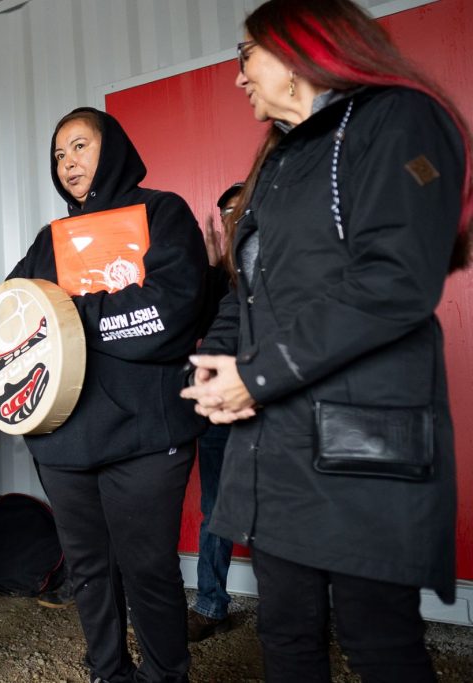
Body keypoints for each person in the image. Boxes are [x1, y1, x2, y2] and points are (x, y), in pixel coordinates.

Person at [180, 0, 472, 679]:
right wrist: (210, 367)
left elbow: (395, 281)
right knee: (284, 637)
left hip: (360, 448)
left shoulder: (398, 120)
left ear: (296, 47)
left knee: (379, 644)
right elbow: (247, 292)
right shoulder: (283, 156)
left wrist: (253, 375)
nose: (238, 76)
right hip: (278, 449)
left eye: (244, 55)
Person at [7, 107, 207, 683]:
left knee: (148, 569)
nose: (68, 162)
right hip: (63, 439)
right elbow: (15, 314)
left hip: (147, 436)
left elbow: (168, 312)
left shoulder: (163, 212)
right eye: (59, 154)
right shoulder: (49, 239)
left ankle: (167, 674)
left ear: (112, 147)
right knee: (90, 572)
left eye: (79, 146)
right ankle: (107, 671)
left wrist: (72, 315)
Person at [187, 182, 242, 643]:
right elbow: (200, 332)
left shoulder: (279, 263)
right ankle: (211, 604)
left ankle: (304, 607)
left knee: (286, 509)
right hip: (220, 417)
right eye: (228, 210)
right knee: (217, 509)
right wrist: (209, 270)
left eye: (244, 208)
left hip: (275, 411)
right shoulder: (215, 278)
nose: (235, 216)